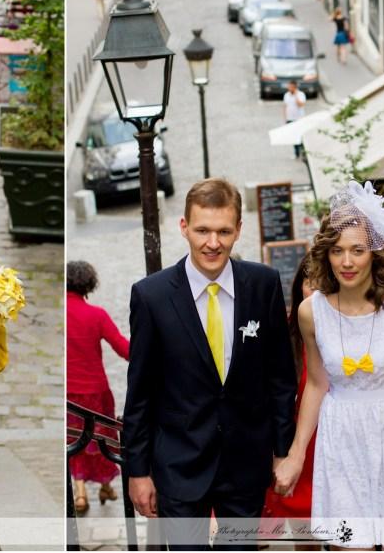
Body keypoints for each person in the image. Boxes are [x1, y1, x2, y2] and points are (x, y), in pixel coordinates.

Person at [123, 178, 297, 550]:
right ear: (184, 227)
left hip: (246, 464)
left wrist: (283, 451)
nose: (213, 243)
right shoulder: (151, 296)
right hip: (178, 465)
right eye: (203, 230)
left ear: (239, 229)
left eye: (223, 231)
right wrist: (137, 471)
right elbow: (140, 392)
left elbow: (281, 377)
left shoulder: (263, 284)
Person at [274, 180, 384, 549]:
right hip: (341, 440)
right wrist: (296, 454)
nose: (347, 262)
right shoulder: (311, 313)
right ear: (325, 254)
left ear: (376, 253)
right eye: (337, 251)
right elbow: (317, 384)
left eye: (357, 250)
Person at [261, 256, 320, 551]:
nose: (317, 290)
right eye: (311, 282)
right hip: (299, 444)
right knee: (305, 531)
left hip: (336, 441)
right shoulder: (286, 331)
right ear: (299, 287)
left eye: (325, 283)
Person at [67, 260, 129, 514]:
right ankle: (105, 485)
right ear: (89, 284)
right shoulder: (96, 315)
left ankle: (81, 492)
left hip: (68, 392)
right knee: (102, 437)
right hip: (95, 390)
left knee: (74, 437)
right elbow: (124, 348)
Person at [282, 80, 307, 160]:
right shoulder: (286, 95)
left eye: (290, 87)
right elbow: (285, 106)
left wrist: (296, 95)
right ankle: (296, 153)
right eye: (289, 87)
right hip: (290, 118)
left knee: (300, 136)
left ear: (294, 87)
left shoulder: (301, 94)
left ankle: (303, 152)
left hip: (299, 119)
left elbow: (301, 105)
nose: (289, 88)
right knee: (293, 137)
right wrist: (285, 118)